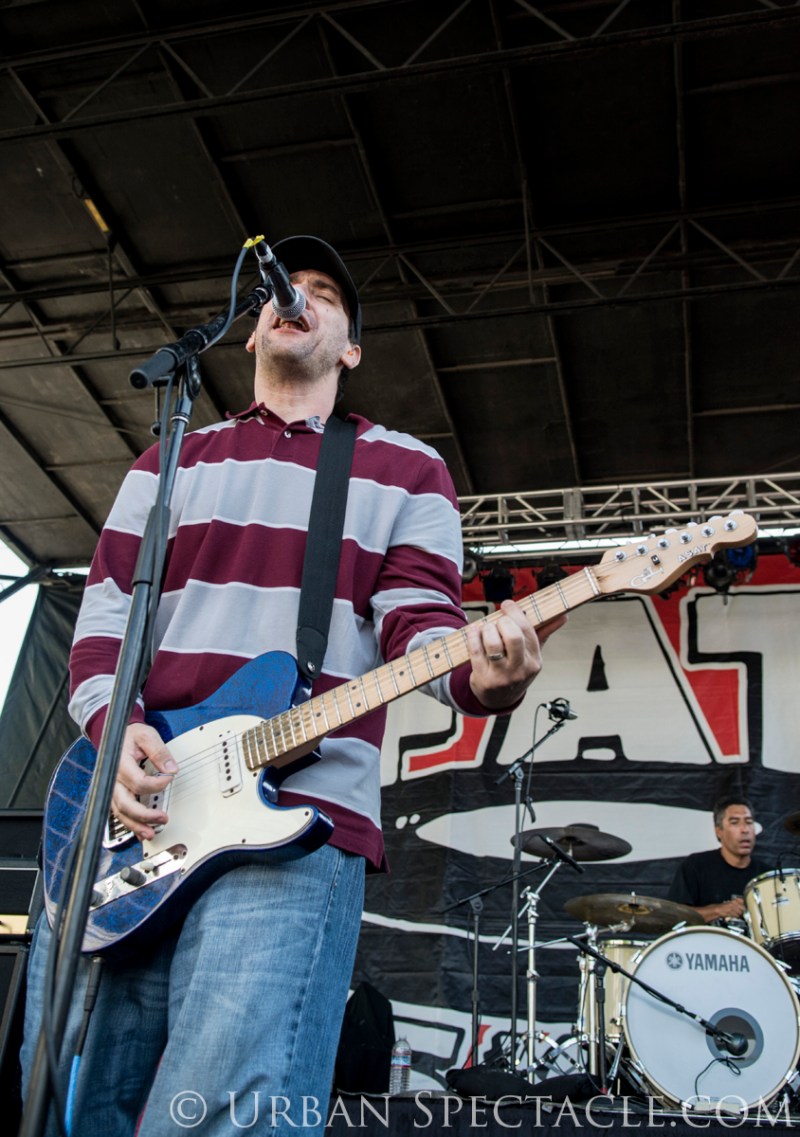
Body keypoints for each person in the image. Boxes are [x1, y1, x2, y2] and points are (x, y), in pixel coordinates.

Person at [21, 234, 564, 1136]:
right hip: (134, 816)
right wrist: (113, 734)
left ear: (350, 349)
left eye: (325, 293)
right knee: (75, 1111)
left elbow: (422, 631)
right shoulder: (168, 462)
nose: (297, 296)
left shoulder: (406, 469)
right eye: (287, 286)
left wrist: (489, 677)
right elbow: (107, 616)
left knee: (221, 1112)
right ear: (250, 332)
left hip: (294, 819)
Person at [667, 795, 771, 924]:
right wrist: (718, 910)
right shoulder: (696, 866)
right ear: (719, 831)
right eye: (735, 823)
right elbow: (675, 916)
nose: (744, 830)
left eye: (749, 822)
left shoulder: (767, 876)